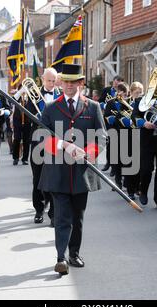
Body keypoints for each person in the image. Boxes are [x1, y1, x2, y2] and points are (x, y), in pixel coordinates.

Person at [38, 64, 106, 276]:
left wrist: (89, 152)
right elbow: (42, 138)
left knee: (78, 217)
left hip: (81, 172)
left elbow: (102, 136)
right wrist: (64, 145)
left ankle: (74, 252)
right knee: (62, 217)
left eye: (73, 81)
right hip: (58, 172)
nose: (68, 85)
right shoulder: (50, 108)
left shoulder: (93, 107)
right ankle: (61, 258)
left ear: (80, 83)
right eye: (65, 81)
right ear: (61, 83)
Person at [27, 68, 61, 227]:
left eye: (54, 81)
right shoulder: (33, 95)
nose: (52, 84)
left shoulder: (61, 94)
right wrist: (39, 117)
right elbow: (27, 114)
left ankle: (54, 214)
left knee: (55, 176)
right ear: (42, 79)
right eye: (49, 81)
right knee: (38, 177)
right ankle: (39, 210)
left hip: (56, 141)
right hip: (38, 139)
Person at [131, 82, 157, 209]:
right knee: (146, 169)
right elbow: (134, 116)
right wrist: (143, 123)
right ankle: (143, 191)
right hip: (147, 140)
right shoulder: (141, 100)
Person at [99, 75, 124, 173]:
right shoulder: (106, 90)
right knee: (109, 143)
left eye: (120, 81)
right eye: (117, 80)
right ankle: (108, 162)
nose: (118, 82)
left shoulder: (122, 91)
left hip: (119, 121)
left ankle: (115, 167)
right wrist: (105, 105)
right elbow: (100, 101)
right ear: (113, 81)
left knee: (116, 145)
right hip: (109, 118)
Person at [12, 84, 31, 166]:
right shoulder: (17, 97)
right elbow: (12, 100)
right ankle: (15, 158)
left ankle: (25, 159)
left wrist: (27, 94)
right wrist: (20, 92)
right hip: (17, 122)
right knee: (17, 139)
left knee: (26, 141)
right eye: (22, 89)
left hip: (27, 122)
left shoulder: (30, 98)